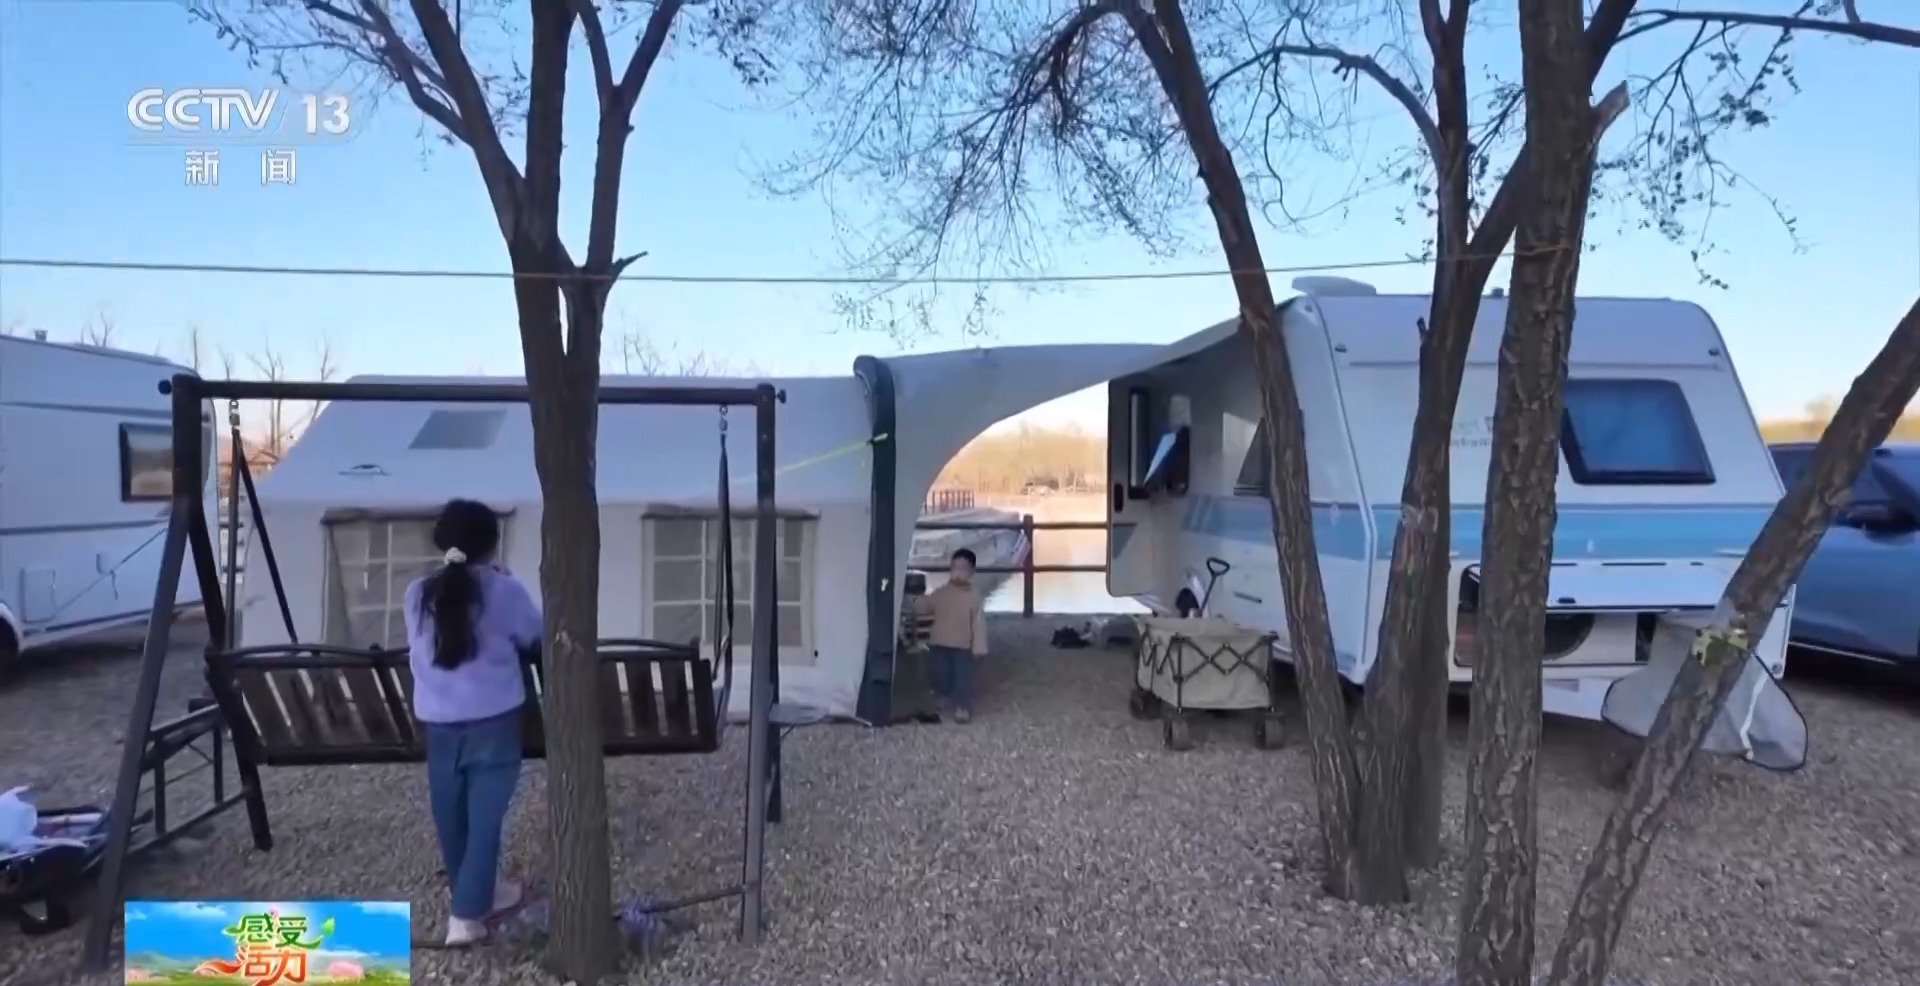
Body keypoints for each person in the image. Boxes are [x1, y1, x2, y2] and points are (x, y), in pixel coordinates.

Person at [404, 498, 542, 946]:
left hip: (437, 722)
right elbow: (536, 636)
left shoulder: (417, 593)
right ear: (491, 544)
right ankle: (465, 917)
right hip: (494, 719)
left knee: (451, 812)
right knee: (485, 818)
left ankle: (481, 892)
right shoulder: (504, 591)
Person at [916, 547, 990, 723]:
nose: (958, 572)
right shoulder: (941, 593)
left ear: (972, 572)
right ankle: (943, 695)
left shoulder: (974, 597)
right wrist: (913, 601)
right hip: (938, 643)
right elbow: (925, 606)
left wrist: (979, 647)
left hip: (963, 646)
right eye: (955, 568)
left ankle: (962, 706)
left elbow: (978, 624)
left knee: (962, 678)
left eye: (963, 568)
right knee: (938, 674)